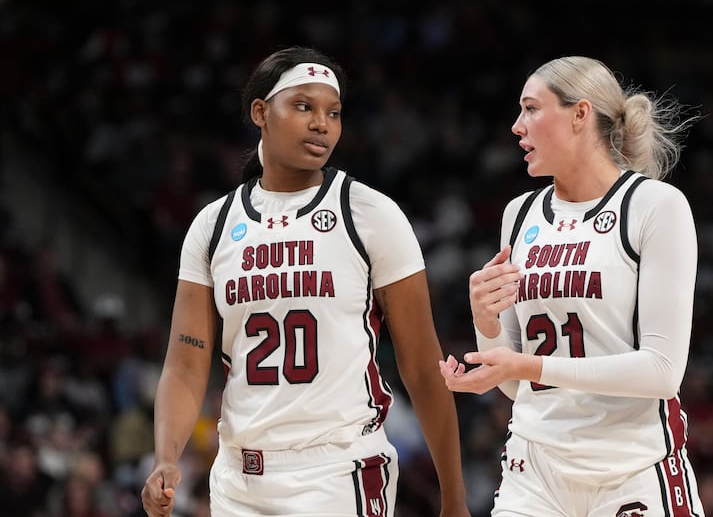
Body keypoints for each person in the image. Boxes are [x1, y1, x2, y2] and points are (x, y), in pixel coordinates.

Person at [141, 46, 469, 517]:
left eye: (333, 113)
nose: (321, 124)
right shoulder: (213, 226)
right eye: (303, 106)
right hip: (238, 479)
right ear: (261, 113)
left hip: (338, 472)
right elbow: (185, 366)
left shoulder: (370, 214)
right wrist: (166, 458)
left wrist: (453, 497)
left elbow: (421, 365)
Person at [439, 56, 706, 516]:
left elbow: (662, 372)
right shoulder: (519, 214)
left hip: (631, 466)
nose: (516, 126)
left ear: (580, 114)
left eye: (531, 108)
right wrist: (486, 322)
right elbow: (513, 383)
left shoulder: (654, 206)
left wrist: (529, 365)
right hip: (535, 469)